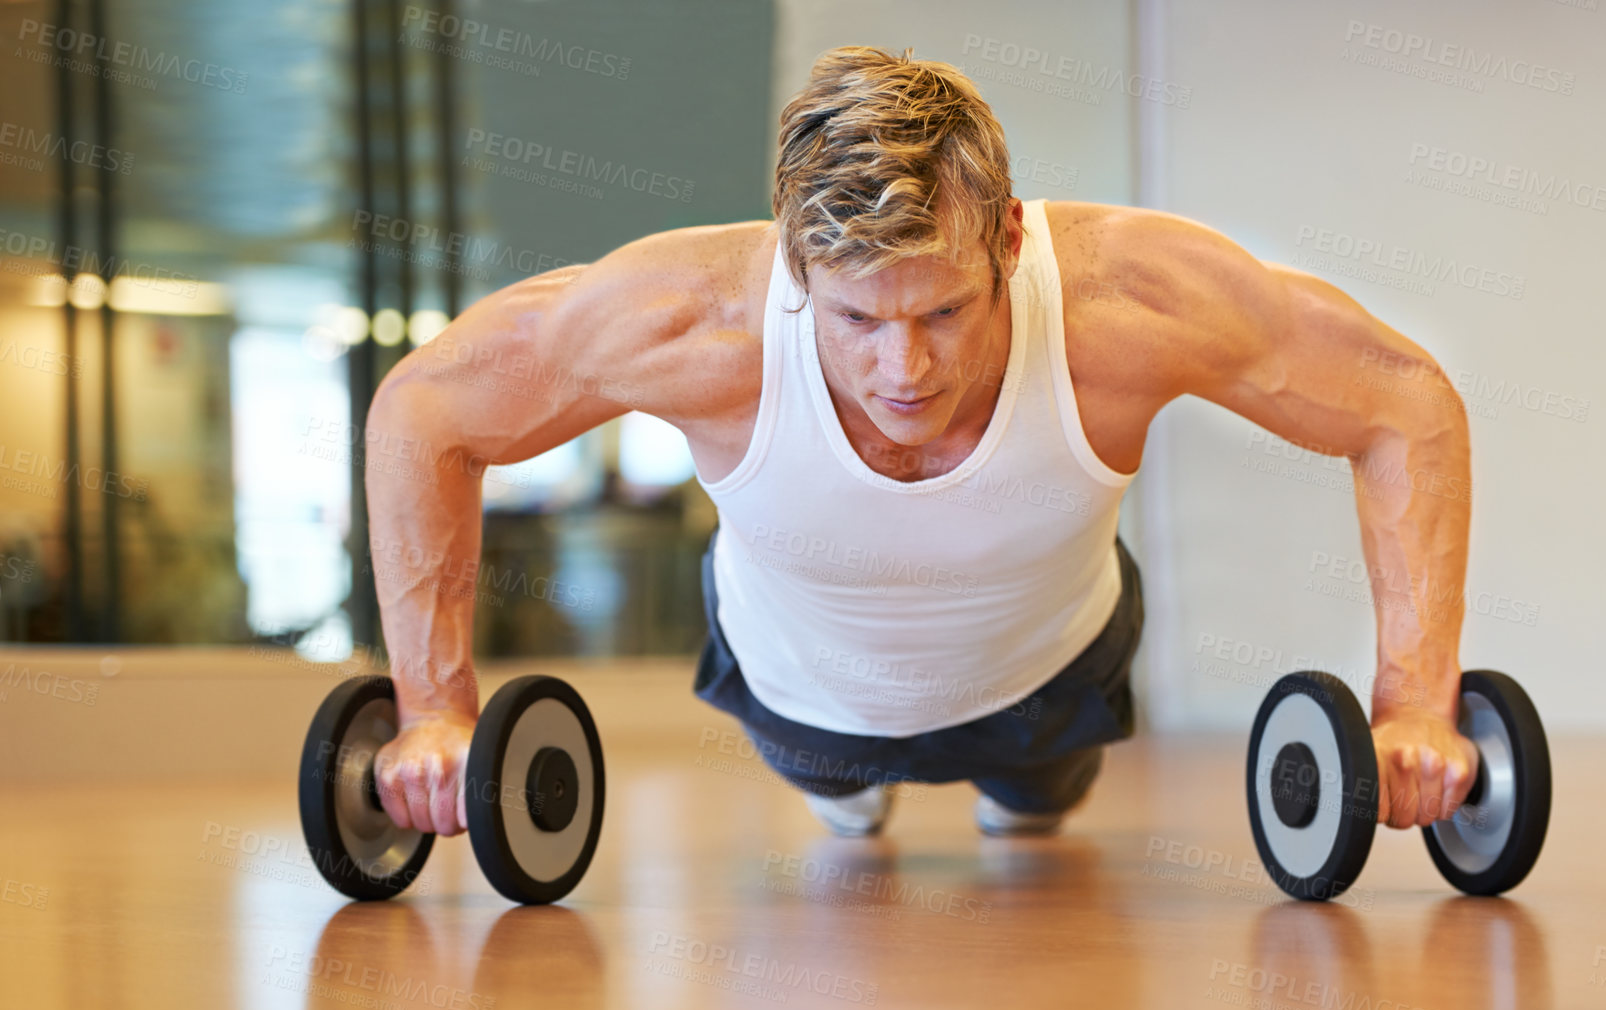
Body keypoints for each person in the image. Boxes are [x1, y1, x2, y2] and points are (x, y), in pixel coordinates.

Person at [366, 45, 1478, 841]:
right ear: (797, 262)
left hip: (1051, 682)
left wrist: (1416, 703)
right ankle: (847, 795)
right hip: (797, 700)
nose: (904, 370)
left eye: (944, 310)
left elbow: (1400, 403)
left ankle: (1008, 795)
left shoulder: (1128, 299)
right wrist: (433, 714)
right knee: (836, 804)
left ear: (1005, 235)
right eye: (856, 321)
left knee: (1034, 815)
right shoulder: (692, 318)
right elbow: (426, 410)